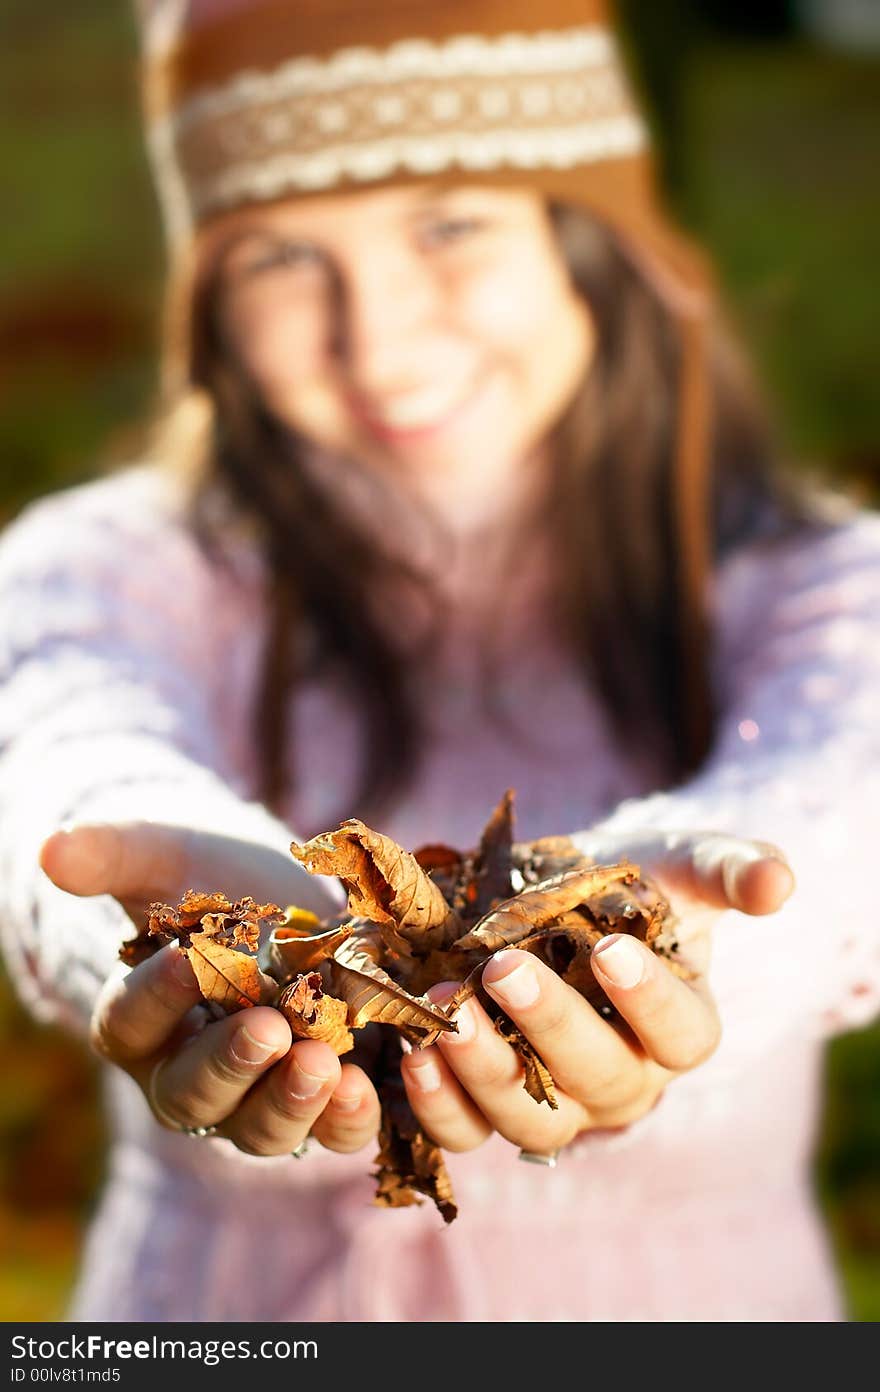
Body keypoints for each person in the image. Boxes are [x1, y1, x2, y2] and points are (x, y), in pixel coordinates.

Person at [1, 0, 878, 1323]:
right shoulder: (119, 563)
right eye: (284, 256)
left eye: (452, 223)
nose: (380, 334)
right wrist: (166, 909)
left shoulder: (819, 584)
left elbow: (841, 792)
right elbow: (64, 726)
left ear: (597, 244)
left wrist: (696, 940)